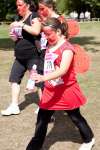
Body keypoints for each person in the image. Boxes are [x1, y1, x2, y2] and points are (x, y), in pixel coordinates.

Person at [26, 17, 95, 150]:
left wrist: (43, 77)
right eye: (44, 34)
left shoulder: (67, 48)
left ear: (58, 31)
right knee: (41, 121)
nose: (45, 37)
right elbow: (47, 64)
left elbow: (63, 70)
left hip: (66, 91)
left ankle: (89, 139)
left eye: (48, 33)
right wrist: (36, 74)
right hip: (50, 91)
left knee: (75, 117)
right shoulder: (49, 45)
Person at [1, 0, 42, 116]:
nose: (18, 7)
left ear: (27, 5)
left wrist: (22, 25)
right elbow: (18, 38)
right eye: (17, 5)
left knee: (38, 81)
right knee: (14, 79)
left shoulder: (34, 16)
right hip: (19, 57)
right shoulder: (19, 18)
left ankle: (45, 108)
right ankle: (14, 106)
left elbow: (36, 31)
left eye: (20, 5)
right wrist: (13, 37)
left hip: (33, 56)